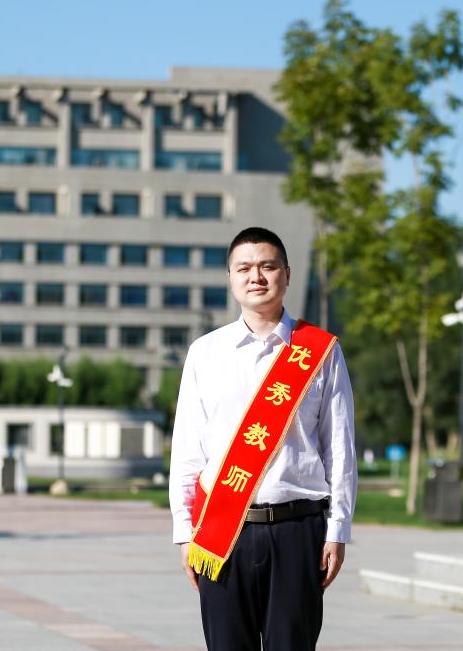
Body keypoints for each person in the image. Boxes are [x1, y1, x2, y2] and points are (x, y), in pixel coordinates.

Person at [169, 226, 356, 651]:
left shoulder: (321, 352)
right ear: (230, 278)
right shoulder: (205, 353)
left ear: (286, 274)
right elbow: (187, 450)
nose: (256, 276)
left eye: (267, 266)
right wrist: (184, 531)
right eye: (244, 268)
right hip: (222, 533)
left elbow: (340, 448)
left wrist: (338, 529)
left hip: (299, 530)